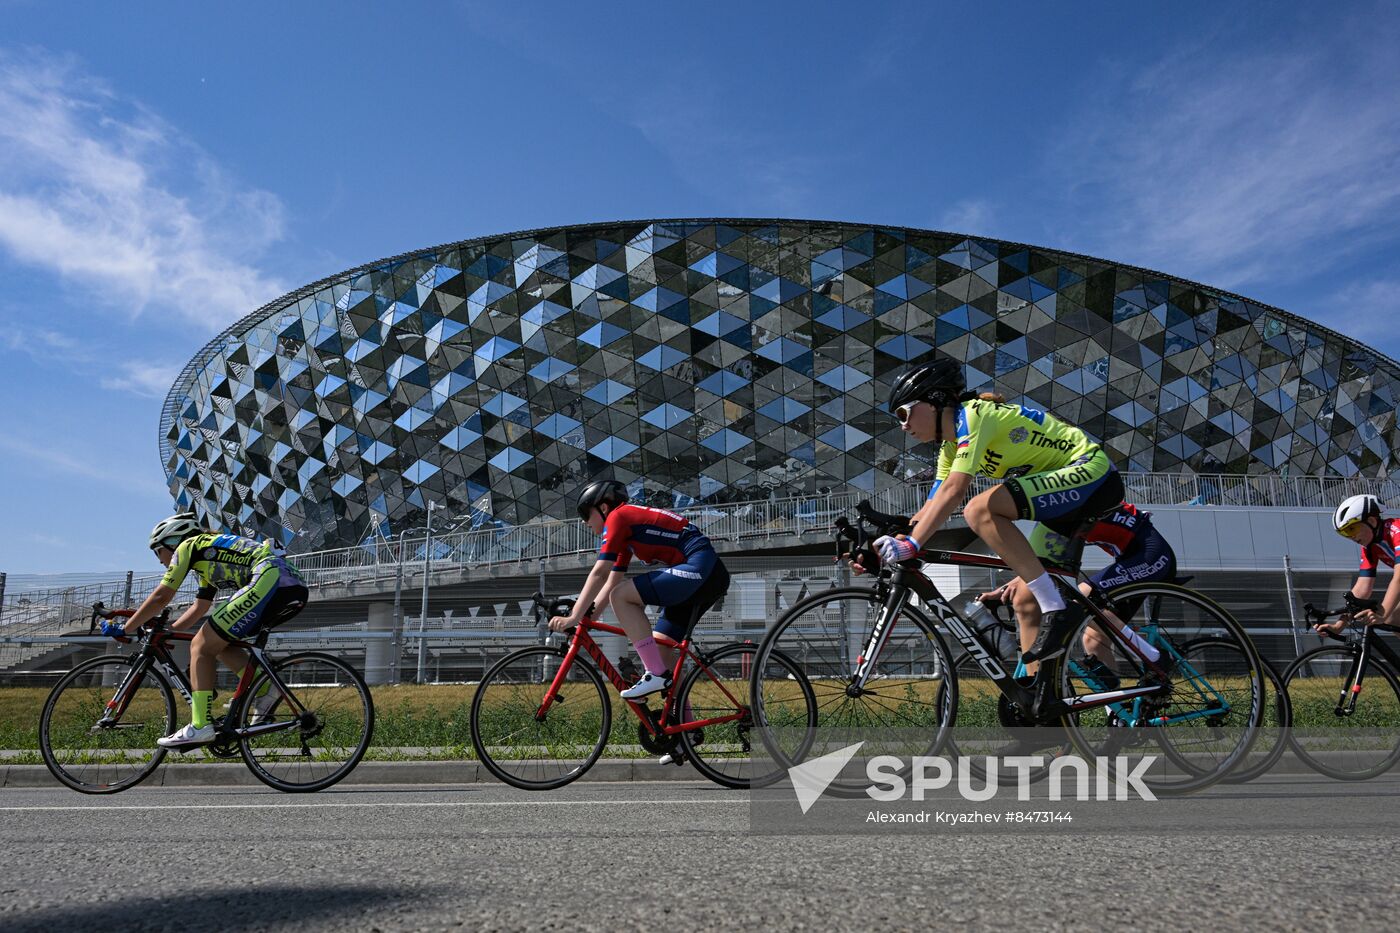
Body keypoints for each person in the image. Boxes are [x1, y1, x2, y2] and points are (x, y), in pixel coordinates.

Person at [875, 358, 1126, 677]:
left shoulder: (976, 416)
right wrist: (891, 544)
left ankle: (1056, 607)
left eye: (904, 412)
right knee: (1024, 601)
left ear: (936, 401)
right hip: (1065, 495)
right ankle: (1040, 699)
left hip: (1092, 474)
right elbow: (932, 504)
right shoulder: (950, 448)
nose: (903, 425)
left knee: (979, 509)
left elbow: (955, 489)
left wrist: (911, 545)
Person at [99, 513, 309, 749]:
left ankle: (200, 726)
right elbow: (201, 606)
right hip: (292, 585)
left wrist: (127, 627)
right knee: (217, 644)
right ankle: (265, 688)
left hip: (269, 578)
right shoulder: (209, 557)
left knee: (200, 645)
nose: (158, 560)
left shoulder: (188, 546)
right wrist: (168, 630)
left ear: (173, 541)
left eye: (157, 551)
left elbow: (162, 596)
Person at [549, 480, 730, 699]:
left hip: (700, 567)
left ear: (603, 508)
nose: (585, 522)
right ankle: (684, 729)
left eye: (586, 514)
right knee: (660, 648)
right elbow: (611, 581)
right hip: (705, 573)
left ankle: (655, 674)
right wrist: (587, 620)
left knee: (622, 596)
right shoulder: (628, 531)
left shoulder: (618, 517)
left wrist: (574, 615)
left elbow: (600, 572)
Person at [979, 501, 1178, 686]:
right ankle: (1118, 711)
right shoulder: (1052, 515)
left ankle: (1156, 658)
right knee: (1093, 639)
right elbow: (1037, 566)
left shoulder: (1063, 506)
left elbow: (1042, 567)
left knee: (1081, 601)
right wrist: (1004, 589)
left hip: (1151, 555)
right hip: (1131, 557)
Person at [1315, 494, 1400, 636]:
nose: (1351, 537)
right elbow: (1362, 589)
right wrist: (1338, 626)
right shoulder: (1370, 547)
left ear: (1372, 521)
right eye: (1345, 533)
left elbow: (1398, 579)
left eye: (1352, 529)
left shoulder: (1396, 530)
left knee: (1390, 617)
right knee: (1392, 619)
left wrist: (1382, 613)